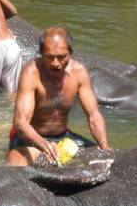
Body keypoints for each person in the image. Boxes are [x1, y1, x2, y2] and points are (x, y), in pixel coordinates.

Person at [7, 27, 111, 166]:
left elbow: (93, 115)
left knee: (100, 156)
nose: (55, 63)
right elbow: (20, 123)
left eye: (62, 57)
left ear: (70, 53)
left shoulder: (79, 72)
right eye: (49, 57)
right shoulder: (31, 73)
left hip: (62, 136)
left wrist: (104, 146)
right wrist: (44, 145)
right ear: (41, 54)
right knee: (16, 166)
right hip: (31, 139)